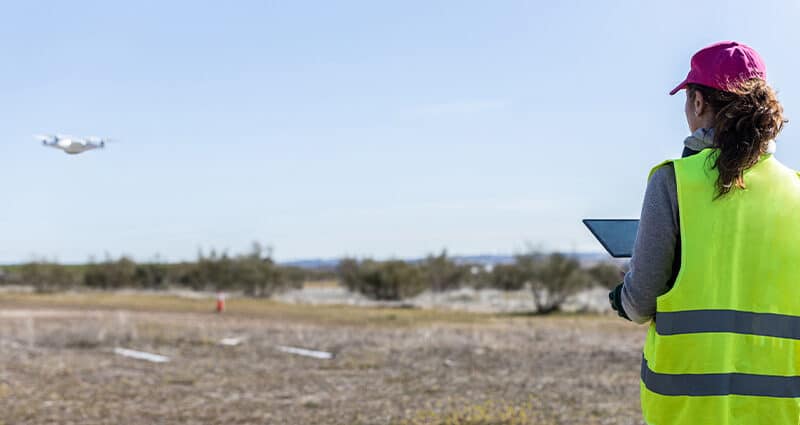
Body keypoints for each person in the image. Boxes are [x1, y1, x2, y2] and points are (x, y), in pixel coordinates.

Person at [608, 41, 800, 424]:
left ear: (698, 103)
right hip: (779, 412)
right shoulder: (796, 189)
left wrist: (621, 296)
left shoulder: (672, 181)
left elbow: (639, 302)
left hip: (687, 411)